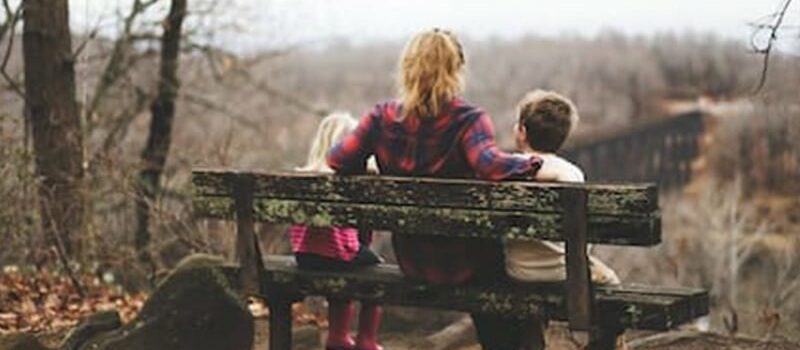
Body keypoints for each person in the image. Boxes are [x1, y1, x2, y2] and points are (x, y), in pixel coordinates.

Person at [327, 29, 543, 350]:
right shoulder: (468, 120)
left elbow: (338, 158)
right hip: (468, 264)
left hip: (413, 261)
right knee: (509, 288)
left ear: (408, 68)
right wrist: (533, 163)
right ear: (456, 70)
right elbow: (490, 165)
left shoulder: (381, 118)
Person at [506, 89, 620, 285]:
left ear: (522, 133)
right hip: (565, 271)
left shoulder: (505, 168)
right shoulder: (571, 173)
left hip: (519, 271)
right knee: (610, 279)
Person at [291, 112, 384, 350]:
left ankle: (338, 338)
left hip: (304, 257)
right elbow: (364, 236)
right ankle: (367, 340)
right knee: (375, 273)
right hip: (339, 254)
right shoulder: (352, 179)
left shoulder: (302, 176)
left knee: (342, 268)